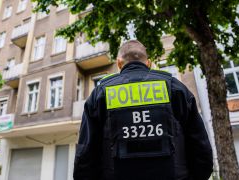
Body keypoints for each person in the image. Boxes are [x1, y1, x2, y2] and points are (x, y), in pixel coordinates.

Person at [73, 40, 213, 180]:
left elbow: (85, 154)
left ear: (119, 63)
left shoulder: (100, 94)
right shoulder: (175, 88)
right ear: (149, 63)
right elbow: (201, 147)